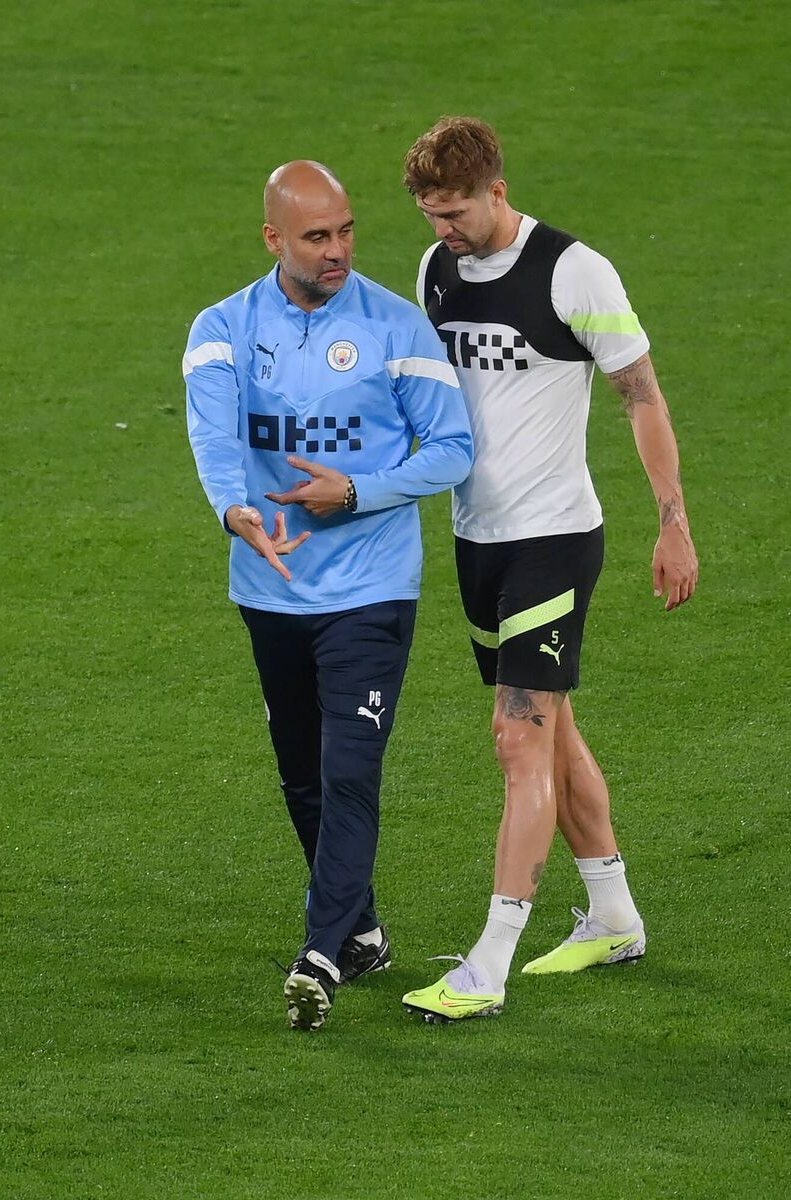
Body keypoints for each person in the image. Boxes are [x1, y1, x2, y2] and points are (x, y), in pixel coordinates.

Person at [399, 117, 698, 1022]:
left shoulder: (575, 270)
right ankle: (612, 913)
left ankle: (488, 964)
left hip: (555, 537)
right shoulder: (434, 271)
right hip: (477, 539)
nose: (442, 228)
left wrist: (672, 522)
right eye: (428, 213)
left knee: (516, 738)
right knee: (555, 733)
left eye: (455, 211)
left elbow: (641, 398)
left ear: (497, 189)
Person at [184, 160, 473, 1031]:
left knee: (349, 769)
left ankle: (320, 954)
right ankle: (365, 931)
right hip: (270, 584)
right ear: (274, 238)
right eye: (318, 236)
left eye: (346, 230)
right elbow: (214, 435)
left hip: (371, 588)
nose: (339, 249)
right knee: (304, 779)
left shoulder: (397, 326)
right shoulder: (223, 330)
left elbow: (452, 449)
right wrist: (235, 511)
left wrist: (354, 492)